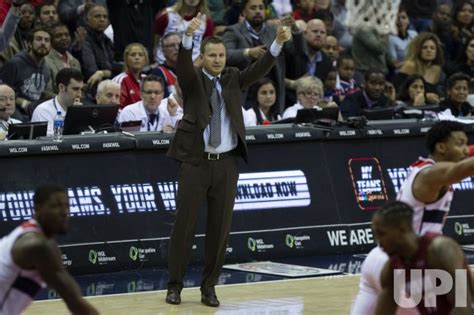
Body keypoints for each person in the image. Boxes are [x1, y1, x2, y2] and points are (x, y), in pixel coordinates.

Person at [165, 13, 291, 307]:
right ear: (203, 56)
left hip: (226, 164)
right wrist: (186, 38)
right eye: (212, 55)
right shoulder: (194, 79)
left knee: (220, 231)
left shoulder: (234, 77)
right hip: (196, 162)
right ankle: (175, 286)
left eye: (222, 55)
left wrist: (276, 45)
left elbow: (259, 69)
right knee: (184, 227)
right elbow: (183, 67)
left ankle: (209, 288)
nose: (218, 59)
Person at [352, 120, 474, 314]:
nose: (465, 150)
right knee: (460, 306)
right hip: (409, 259)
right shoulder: (431, 174)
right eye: (459, 144)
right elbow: (458, 170)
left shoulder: (424, 169)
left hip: (378, 261)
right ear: (441, 147)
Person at [0, 184, 99, 315]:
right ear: (37, 208)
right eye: (56, 206)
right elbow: (74, 302)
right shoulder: (38, 245)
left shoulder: (27, 234)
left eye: (67, 206)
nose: (64, 212)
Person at [372, 201, 472, 315]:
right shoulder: (391, 270)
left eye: (382, 234)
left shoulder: (440, 250)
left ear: (402, 229)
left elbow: (464, 309)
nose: (379, 242)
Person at [32, 68, 84, 135]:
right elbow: (52, 142)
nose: (80, 94)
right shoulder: (43, 110)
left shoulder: (81, 110)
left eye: (81, 89)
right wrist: (72, 117)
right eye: (75, 89)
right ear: (61, 87)